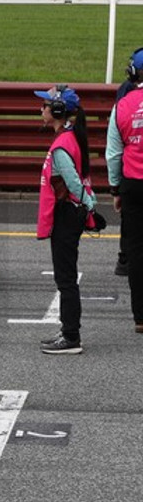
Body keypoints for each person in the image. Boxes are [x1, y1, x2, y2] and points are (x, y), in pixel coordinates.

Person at [35, 86, 97, 354]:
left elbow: (72, 181)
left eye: (45, 105)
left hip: (67, 214)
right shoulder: (71, 136)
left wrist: (90, 205)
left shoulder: (62, 145)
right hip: (71, 213)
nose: (41, 109)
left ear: (57, 111)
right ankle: (68, 331)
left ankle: (71, 337)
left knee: (65, 278)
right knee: (66, 276)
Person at [107, 62, 143, 334]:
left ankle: (141, 317)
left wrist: (115, 189)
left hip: (133, 184)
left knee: (136, 251)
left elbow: (114, 154)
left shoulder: (122, 105)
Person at [112, 48, 143, 276]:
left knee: (132, 228)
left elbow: (113, 150)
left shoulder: (124, 99)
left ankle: (126, 261)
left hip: (131, 177)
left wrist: (115, 188)